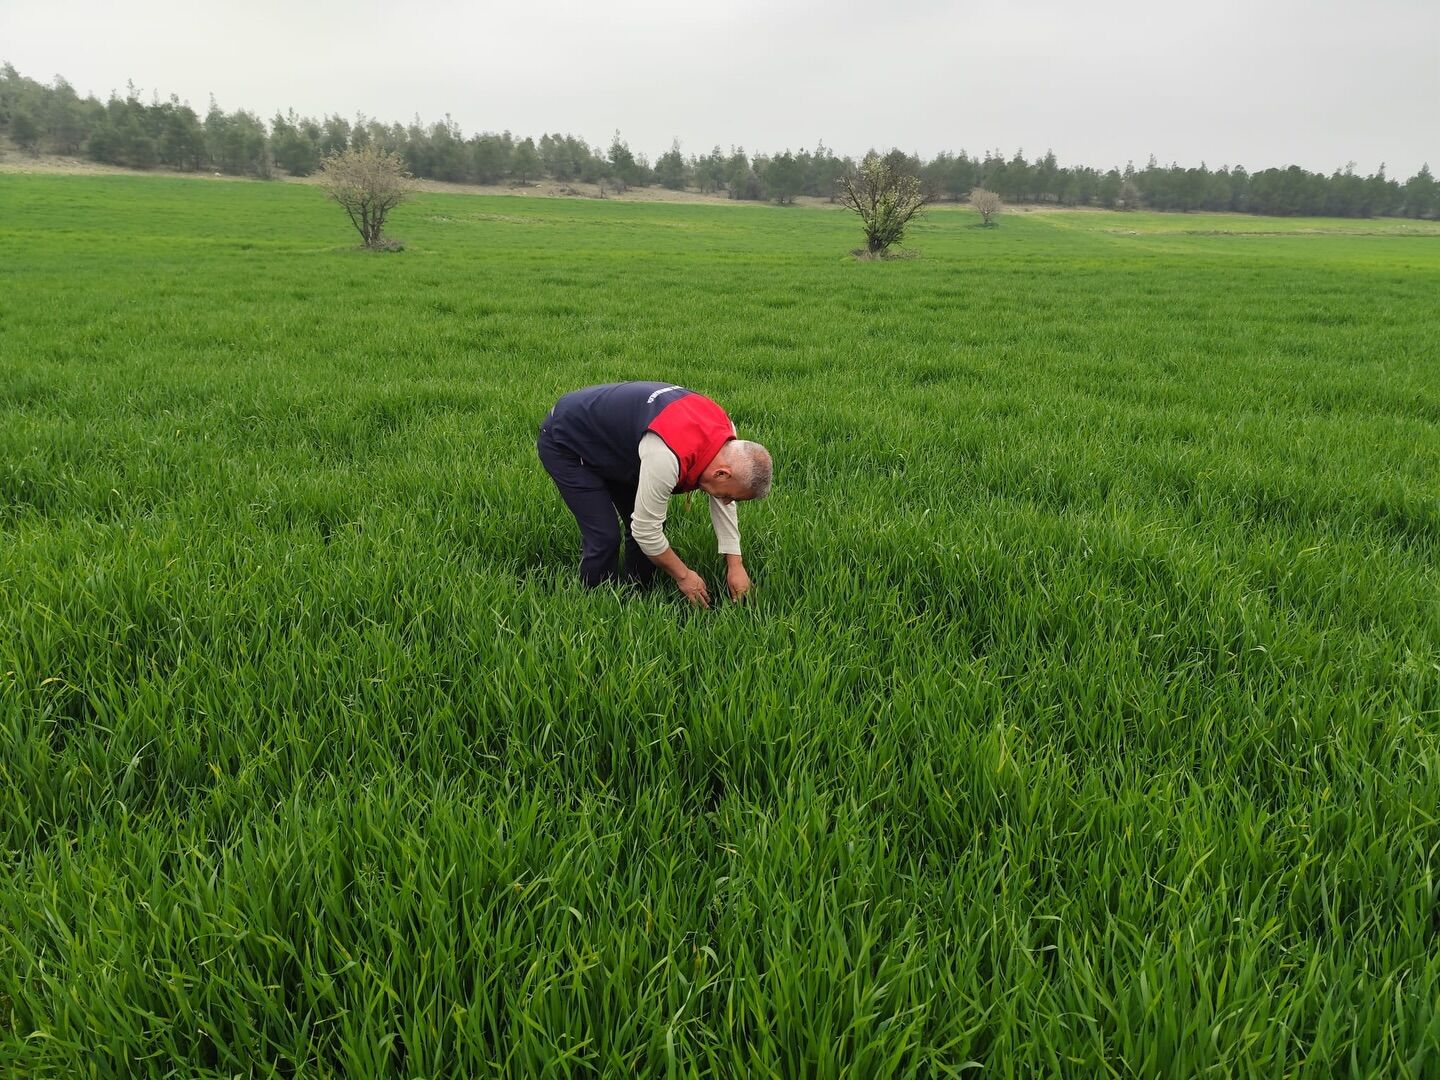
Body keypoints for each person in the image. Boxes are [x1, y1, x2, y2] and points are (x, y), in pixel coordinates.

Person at [537, 382, 772, 606]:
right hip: (568, 440)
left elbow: (720, 499)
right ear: (722, 474)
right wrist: (683, 576)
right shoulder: (666, 455)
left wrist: (735, 564)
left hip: (622, 443)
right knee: (605, 537)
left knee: (641, 521)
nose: (728, 502)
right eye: (731, 496)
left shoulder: (728, 440)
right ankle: (596, 603)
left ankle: (637, 592)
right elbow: (646, 531)